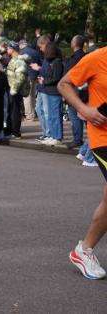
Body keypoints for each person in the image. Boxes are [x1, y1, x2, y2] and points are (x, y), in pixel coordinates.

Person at [58, 45, 107, 280]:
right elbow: (64, 84)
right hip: (103, 137)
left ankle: (83, 251)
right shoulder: (98, 58)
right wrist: (84, 109)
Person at [64, 35, 86, 149]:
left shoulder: (74, 58)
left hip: (74, 91)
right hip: (83, 91)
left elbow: (70, 75)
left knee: (75, 117)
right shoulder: (85, 56)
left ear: (75, 43)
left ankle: (77, 139)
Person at [5, 41, 29, 139]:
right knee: (12, 110)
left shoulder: (19, 61)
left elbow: (20, 77)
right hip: (12, 88)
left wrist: (14, 90)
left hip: (14, 89)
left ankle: (16, 132)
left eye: (8, 48)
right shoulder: (14, 59)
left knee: (15, 110)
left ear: (12, 49)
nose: (7, 50)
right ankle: (11, 130)